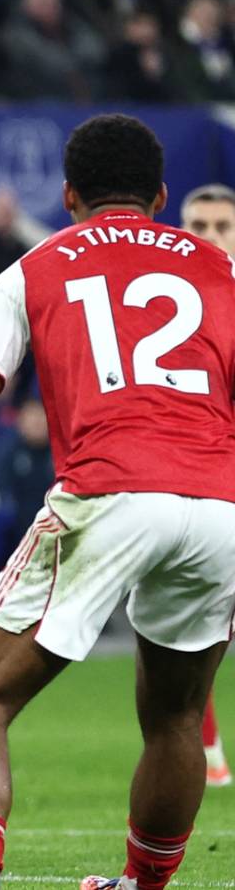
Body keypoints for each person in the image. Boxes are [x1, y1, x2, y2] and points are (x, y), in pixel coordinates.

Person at [0, 114, 235, 890]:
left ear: (70, 193)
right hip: (219, 505)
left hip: (110, 490)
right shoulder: (221, 270)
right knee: (179, 718)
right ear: (162, 195)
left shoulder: (31, 270)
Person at [178, 181, 235, 788]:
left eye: (222, 227)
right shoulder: (161, 304)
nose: (210, 237)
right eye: (199, 226)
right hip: (192, 478)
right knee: (192, 623)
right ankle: (208, 747)